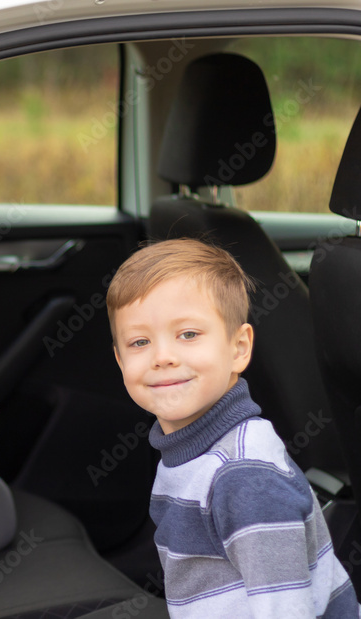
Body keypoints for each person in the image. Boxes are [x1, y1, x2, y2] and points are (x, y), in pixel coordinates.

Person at [106, 238, 359, 617]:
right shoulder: (185, 448)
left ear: (239, 348)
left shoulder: (243, 475)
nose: (163, 357)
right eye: (139, 342)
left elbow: (286, 609)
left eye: (188, 334)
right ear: (119, 359)